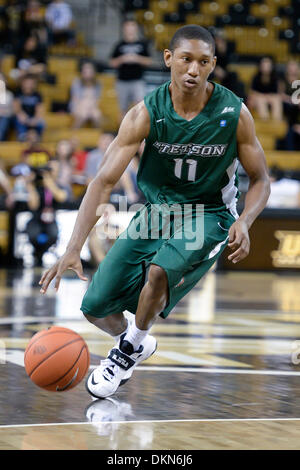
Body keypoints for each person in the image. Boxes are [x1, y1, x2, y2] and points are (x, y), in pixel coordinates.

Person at [39, 25, 270, 399]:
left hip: (208, 214)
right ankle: (135, 339)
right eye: (186, 59)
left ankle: (126, 352)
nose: (193, 70)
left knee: (160, 272)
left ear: (213, 65)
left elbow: (261, 179)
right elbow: (101, 182)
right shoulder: (144, 113)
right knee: (94, 307)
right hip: (158, 210)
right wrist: (72, 247)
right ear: (168, 59)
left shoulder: (234, 112)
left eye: (203, 62)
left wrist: (245, 219)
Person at [110, 19, 152, 117]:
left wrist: (136, 59)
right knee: (122, 109)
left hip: (137, 81)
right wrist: (122, 59)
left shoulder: (142, 45)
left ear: (136, 29)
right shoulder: (119, 45)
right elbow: (112, 62)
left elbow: (149, 61)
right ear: (124, 29)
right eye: (127, 27)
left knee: (140, 107)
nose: (130, 30)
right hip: (122, 81)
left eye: (132, 27)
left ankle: (138, 131)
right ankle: (122, 131)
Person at [69, 62, 102, 129]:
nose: (88, 74)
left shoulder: (98, 83)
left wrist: (90, 107)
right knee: (83, 114)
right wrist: (85, 107)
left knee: (97, 115)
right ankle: (73, 132)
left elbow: (97, 99)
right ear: (82, 73)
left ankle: (96, 135)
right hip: (78, 105)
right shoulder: (76, 82)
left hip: (92, 106)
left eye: (90, 72)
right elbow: (75, 99)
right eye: (86, 72)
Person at [249, 56, 282, 120]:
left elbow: (278, 92)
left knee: (277, 100)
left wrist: (268, 97)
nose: (266, 68)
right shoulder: (256, 77)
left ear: (271, 67)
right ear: (260, 66)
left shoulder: (275, 78)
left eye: (268, 65)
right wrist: (263, 96)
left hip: (271, 97)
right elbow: (252, 92)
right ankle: (264, 120)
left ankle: (277, 121)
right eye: (264, 65)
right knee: (261, 100)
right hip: (259, 98)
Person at [13, 74, 45, 141]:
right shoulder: (18, 93)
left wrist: (35, 119)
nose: (28, 85)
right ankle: (22, 136)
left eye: (30, 83)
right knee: (18, 121)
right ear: (22, 83)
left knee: (42, 123)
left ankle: (37, 138)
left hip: (33, 117)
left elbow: (39, 109)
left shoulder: (37, 95)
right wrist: (22, 116)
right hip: (22, 117)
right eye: (27, 83)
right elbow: (17, 108)